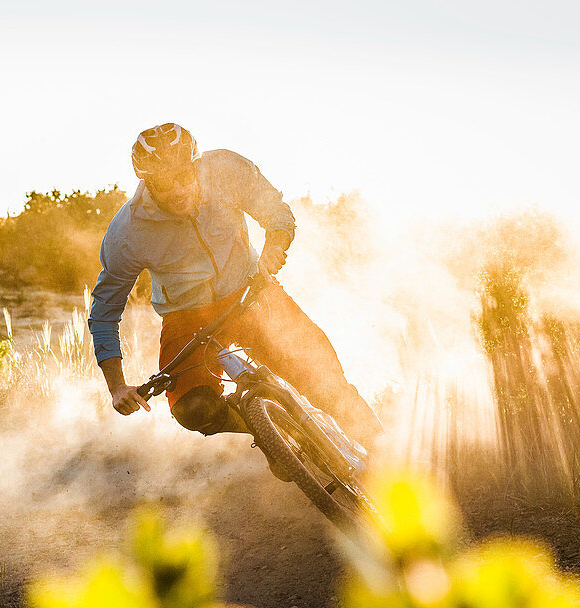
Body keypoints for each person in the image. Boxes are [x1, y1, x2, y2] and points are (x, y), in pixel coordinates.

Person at [87, 122, 381, 447]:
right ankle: (275, 436)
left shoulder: (226, 169)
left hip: (253, 291)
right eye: (164, 182)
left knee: (326, 383)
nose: (178, 189)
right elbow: (104, 313)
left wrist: (273, 250)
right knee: (194, 409)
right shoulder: (127, 232)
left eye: (185, 175)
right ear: (147, 183)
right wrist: (117, 387)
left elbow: (277, 213)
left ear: (197, 165)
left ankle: (389, 454)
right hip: (187, 318)